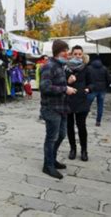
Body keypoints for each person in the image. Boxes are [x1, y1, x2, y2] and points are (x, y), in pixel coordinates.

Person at [40, 40, 77, 179]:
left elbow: (58, 84)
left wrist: (68, 84)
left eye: (67, 51)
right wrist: (65, 89)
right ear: (57, 52)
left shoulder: (60, 66)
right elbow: (45, 87)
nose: (67, 54)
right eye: (64, 51)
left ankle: (52, 160)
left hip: (62, 107)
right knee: (51, 138)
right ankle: (47, 165)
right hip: (51, 108)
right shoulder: (48, 66)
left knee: (61, 135)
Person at [65, 46, 92, 162]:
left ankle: (84, 150)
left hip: (81, 100)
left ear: (82, 55)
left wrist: (88, 89)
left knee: (81, 127)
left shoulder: (86, 68)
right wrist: (68, 81)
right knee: (69, 126)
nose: (77, 56)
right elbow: (60, 82)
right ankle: (73, 149)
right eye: (75, 54)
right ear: (71, 54)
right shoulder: (65, 68)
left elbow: (92, 83)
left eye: (79, 54)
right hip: (68, 100)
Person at [87, 58, 111, 127]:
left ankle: (82, 119)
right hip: (102, 89)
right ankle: (98, 121)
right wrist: (106, 86)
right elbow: (108, 79)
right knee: (100, 105)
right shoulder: (104, 68)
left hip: (92, 89)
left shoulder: (89, 68)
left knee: (86, 105)